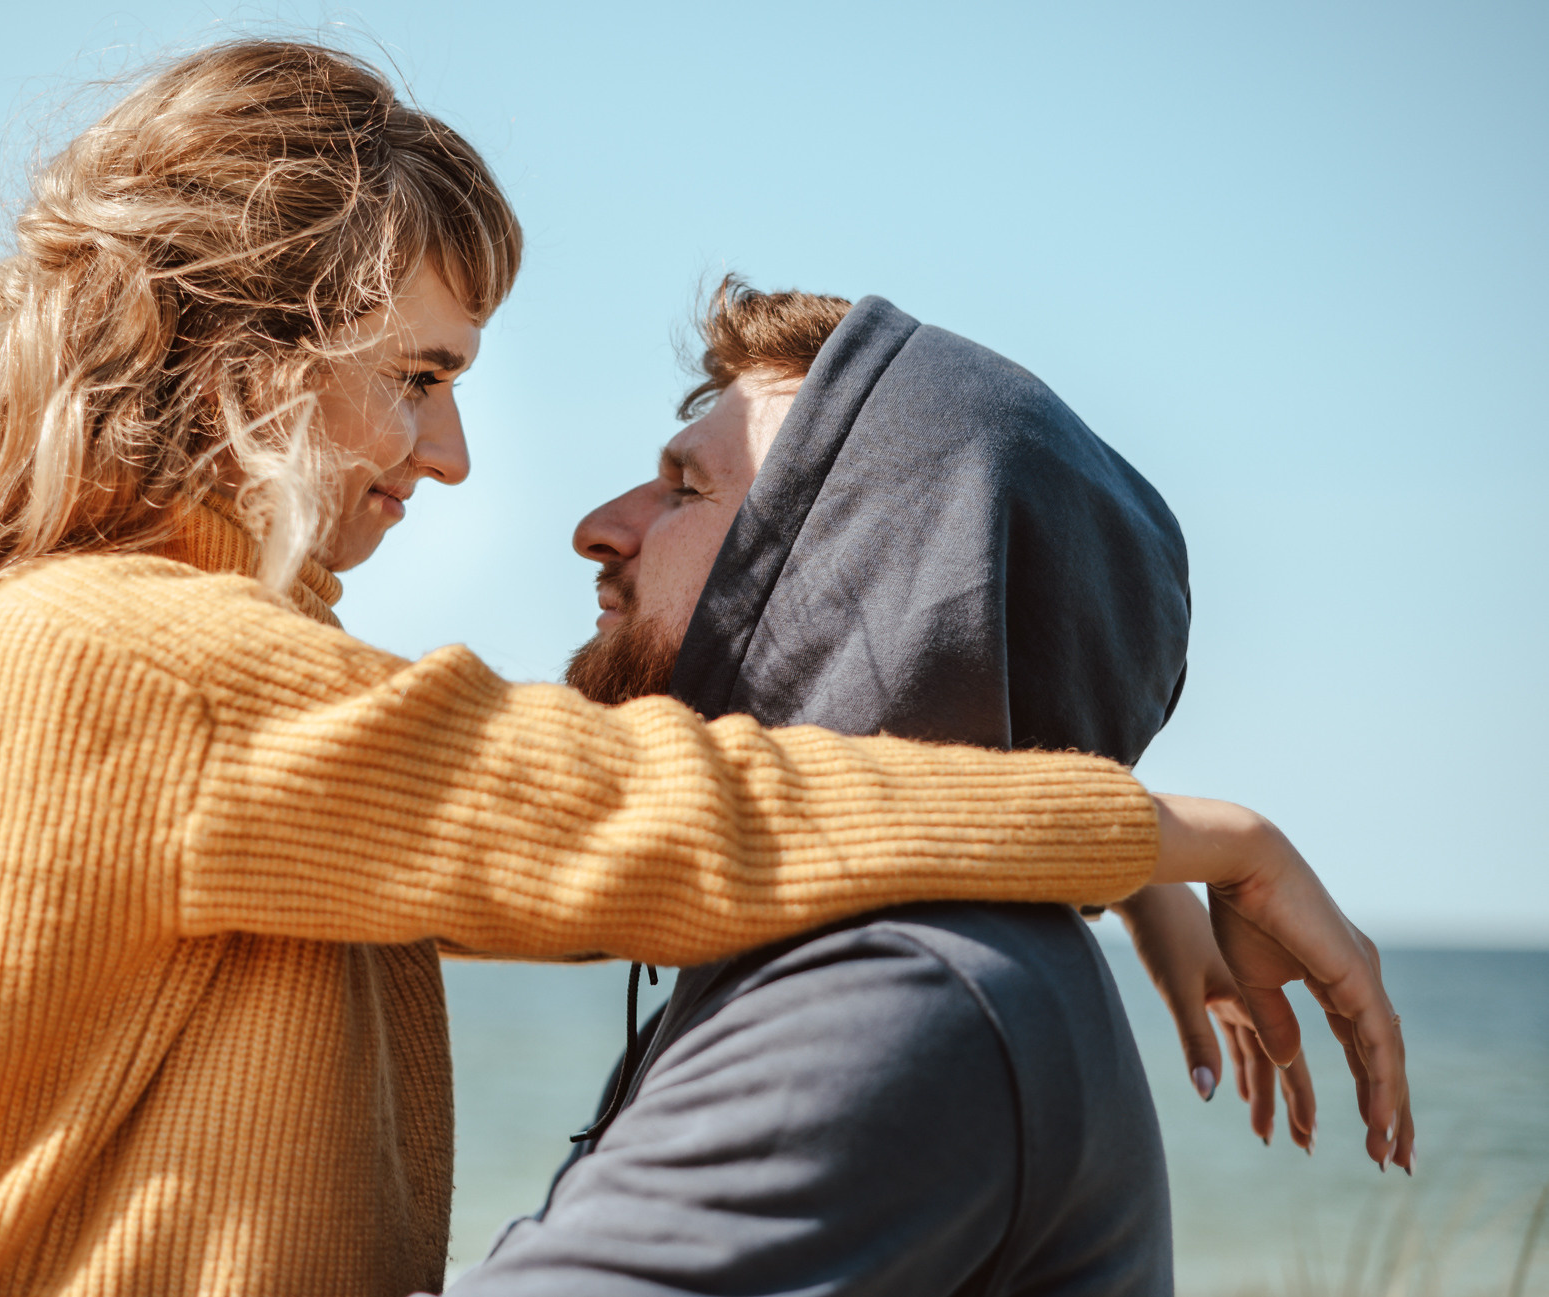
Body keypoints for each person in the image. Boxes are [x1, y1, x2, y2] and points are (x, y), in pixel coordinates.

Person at [0, 40, 1406, 1297]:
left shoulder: (164, 659)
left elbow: (636, 802)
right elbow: (638, 813)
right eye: (417, 376)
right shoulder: (132, 661)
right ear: (243, 359)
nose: (457, 460)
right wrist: (1166, 833)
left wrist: (1097, 859)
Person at [446, 282, 1393, 1295]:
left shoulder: (897, 989)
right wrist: (1126, 855)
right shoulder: (857, 937)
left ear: (849, 573)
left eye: (684, 489)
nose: (600, 526)